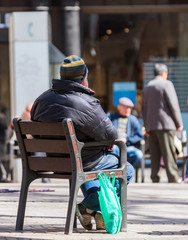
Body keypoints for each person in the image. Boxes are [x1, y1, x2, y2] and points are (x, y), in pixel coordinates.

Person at [30, 55, 134, 231]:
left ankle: (97, 212)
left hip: (54, 161)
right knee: (127, 169)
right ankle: (87, 207)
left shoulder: (41, 100)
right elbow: (111, 135)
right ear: (83, 77)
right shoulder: (86, 102)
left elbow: (34, 131)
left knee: (86, 166)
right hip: (82, 160)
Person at [142, 63, 183, 183]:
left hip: (151, 125)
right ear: (164, 73)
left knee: (154, 153)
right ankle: (173, 177)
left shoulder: (147, 86)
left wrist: (146, 125)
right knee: (168, 151)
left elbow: (143, 109)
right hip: (165, 124)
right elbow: (173, 105)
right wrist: (178, 123)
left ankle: (155, 177)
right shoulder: (166, 84)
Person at [107, 97, 144, 169]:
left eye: (129, 108)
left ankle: (126, 172)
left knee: (139, 155)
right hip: (114, 145)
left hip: (128, 147)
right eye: (125, 107)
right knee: (113, 150)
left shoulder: (133, 119)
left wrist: (127, 139)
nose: (128, 110)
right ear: (119, 107)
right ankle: (116, 172)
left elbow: (139, 135)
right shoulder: (111, 117)